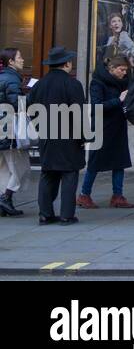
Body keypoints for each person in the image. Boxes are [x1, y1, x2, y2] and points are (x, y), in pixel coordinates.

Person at [27, 47, 85, 225]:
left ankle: (45, 214)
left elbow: (30, 109)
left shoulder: (39, 84)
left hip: (47, 134)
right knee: (69, 174)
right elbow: (78, 113)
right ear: (67, 63)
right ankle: (67, 215)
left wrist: (40, 126)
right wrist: (83, 137)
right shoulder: (73, 84)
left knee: (48, 174)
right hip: (68, 136)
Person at [78, 55, 133, 209]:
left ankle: (118, 195)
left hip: (118, 126)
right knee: (95, 162)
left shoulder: (123, 82)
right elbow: (96, 107)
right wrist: (119, 100)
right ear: (112, 68)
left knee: (120, 161)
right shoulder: (97, 82)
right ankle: (84, 194)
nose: (124, 73)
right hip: (102, 127)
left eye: (126, 70)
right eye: (121, 70)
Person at [0, 49, 28, 216]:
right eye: (19, 57)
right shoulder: (11, 78)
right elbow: (18, 104)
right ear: (11, 61)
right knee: (20, 166)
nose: (22, 60)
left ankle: (4, 201)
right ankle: (6, 197)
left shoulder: (4, 76)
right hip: (9, 130)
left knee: (4, 168)